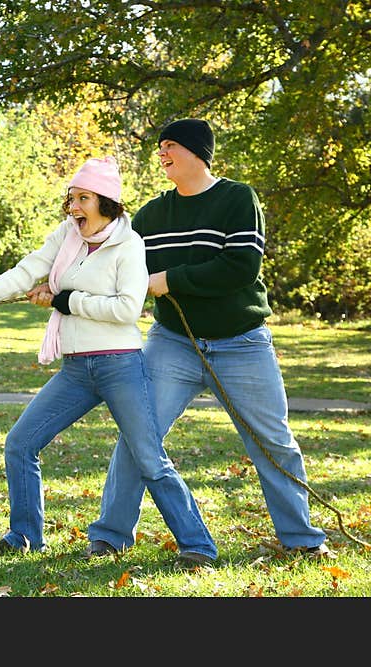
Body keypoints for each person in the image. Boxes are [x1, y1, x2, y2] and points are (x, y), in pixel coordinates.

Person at [0, 157, 217, 565]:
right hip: (76, 369)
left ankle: (198, 546)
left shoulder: (130, 244)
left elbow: (127, 309)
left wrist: (68, 301)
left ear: (106, 202)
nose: (74, 207)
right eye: (71, 198)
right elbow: (25, 271)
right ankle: (24, 536)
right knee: (21, 443)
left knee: (148, 458)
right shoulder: (65, 237)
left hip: (120, 365)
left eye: (83, 198)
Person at [86, 119, 329, 558]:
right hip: (173, 343)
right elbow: (111, 267)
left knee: (274, 442)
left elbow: (240, 268)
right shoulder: (151, 216)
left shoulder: (238, 199)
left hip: (242, 343)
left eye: (170, 145)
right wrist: (63, 288)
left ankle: (302, 541)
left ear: (198, 151)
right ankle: (109, 535)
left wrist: (167, 279)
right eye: (159, 146)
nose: (161, 153)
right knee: (138, 435)